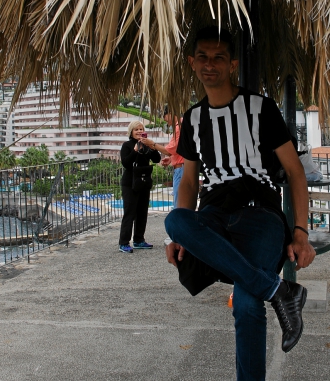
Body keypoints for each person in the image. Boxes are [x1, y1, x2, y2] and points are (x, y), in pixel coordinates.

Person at [164, 26, 315, 381]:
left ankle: (273, 294)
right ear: (192, 62)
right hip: (215, 211)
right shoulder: (194, 119)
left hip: (259, 211)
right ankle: (280, 291)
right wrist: (180, 239)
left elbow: (295, 172)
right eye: (202, 57)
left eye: (218, 58)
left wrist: (301, 232)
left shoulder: (261, 109)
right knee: (175, 222)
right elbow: (188, 180)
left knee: (247, 305)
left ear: (232, 64)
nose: (209, 65)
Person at [119, 120, 161, 253]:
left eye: (141, 129)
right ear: (131, 131)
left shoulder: (146, 145)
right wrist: (135, 151)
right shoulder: (127, 145)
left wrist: (152, 146)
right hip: (129, 183)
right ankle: (124, 242)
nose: (139, 132)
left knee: (142, 212)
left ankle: (138, 240)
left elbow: (157, 159)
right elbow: (126, 163)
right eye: (136, 129)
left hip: (143, 182)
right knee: (130, 212)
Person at [160, 107, 184, 208]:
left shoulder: (179, 127)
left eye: (165, 117)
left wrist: (151, 144)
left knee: (178, 204)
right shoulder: (184, 124)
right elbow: (182, 148)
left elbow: (169, 150)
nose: (165, 120)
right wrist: (171, 159)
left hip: (181, 168)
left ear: (170, 113)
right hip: (183, 166)